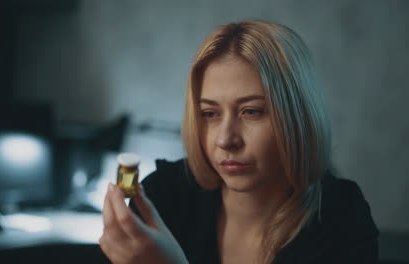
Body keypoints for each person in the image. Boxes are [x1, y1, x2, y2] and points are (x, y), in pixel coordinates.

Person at [98, 20, 379, 264]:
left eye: (252, 111)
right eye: (210, 113)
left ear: (298, 117)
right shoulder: (163, 196)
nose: (225, 139)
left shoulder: (341, 219)